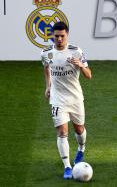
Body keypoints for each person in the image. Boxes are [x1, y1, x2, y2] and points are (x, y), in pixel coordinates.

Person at [41, 21, 92, 179]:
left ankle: (81, 148)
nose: (59, 39)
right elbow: (46, 68)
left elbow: (89, 75)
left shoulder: (76, 52)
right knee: (62, 132)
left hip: (75, 98)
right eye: (56, 36)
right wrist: (48, 86)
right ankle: (67, 167)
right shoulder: (46, 53)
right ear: (52, 36)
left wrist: (81, 66)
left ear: (67, 35)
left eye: (62, 36)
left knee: (79, 129)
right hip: (57, 99)